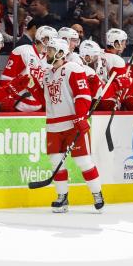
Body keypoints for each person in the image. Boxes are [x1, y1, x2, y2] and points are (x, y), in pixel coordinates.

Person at [30, 38, 105, 213]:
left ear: (60, 53)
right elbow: (47, 101)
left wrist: (80, 117)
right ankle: (62, 197)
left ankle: (97, 193)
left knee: (83, 161)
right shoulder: (47, 73)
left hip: (72, 123)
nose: (46, 52)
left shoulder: (73, 69)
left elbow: (83, 95)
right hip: (53, 125)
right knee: (56, 162)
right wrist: (33, 88)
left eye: (50, 50)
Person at [0, 25, 57, 112]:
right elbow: (7, 77)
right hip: (19, 106)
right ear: (41, 38)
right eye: (49, 39)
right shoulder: (22, 51)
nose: (52, 43)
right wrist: (7, 98)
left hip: (40, 108)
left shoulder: (51, 59)